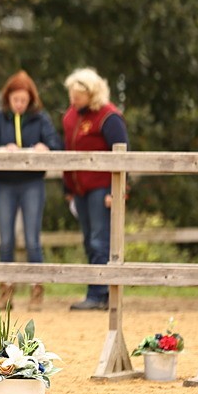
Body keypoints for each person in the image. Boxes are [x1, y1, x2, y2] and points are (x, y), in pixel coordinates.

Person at [0, 71, 63, 311]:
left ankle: (37, 289)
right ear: (8, 98)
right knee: (6, 239)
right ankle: (6, 289)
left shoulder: (40, 119)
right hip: (5, 184)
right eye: (15, 99)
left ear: (30, 100)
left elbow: (56, 144)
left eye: (23, 100)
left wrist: (44, 147)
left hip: (32, 183)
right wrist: (2, 149)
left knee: (32, 239)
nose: (19, 104)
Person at [62, 67, 128, 311]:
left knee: (99, 241)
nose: (73, 100)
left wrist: (117, 190)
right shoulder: (71, 116)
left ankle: (99, 294)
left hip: (101, 187)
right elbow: (67, 151)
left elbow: (122, 153)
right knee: (89, 241)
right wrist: (67, 187)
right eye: (72, 95)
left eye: (78, 96)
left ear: (91, 94)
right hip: (79, 189)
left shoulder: (108, 117)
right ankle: (98, 291)